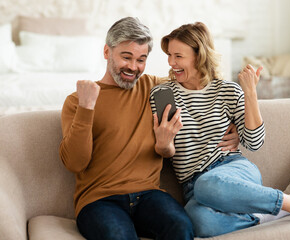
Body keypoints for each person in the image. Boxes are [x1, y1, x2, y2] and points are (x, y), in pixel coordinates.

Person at [150, 22, 290, 238]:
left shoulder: (227, 90)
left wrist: (249, 92)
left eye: (178, 56)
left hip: (233, 170)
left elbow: (254, 142)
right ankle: (261, 216)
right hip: (193, 186)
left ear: (199, 56)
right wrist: (163, 144)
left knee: (207, 184)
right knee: (199, 221)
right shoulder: (162, 94)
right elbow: (165, 150)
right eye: (169, 55)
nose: (171, 62)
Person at [59, 17, 239, 240]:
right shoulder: (78, 100)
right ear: (107, 52)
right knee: (119, 236)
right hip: (99, 200)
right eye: (126, 57)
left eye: (141, 59)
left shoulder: (156, 88)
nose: (133, 67)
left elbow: (202, 84)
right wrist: (87, 108)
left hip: (149, 196)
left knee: (182, 229)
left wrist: (237, 126)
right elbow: (75, 163)